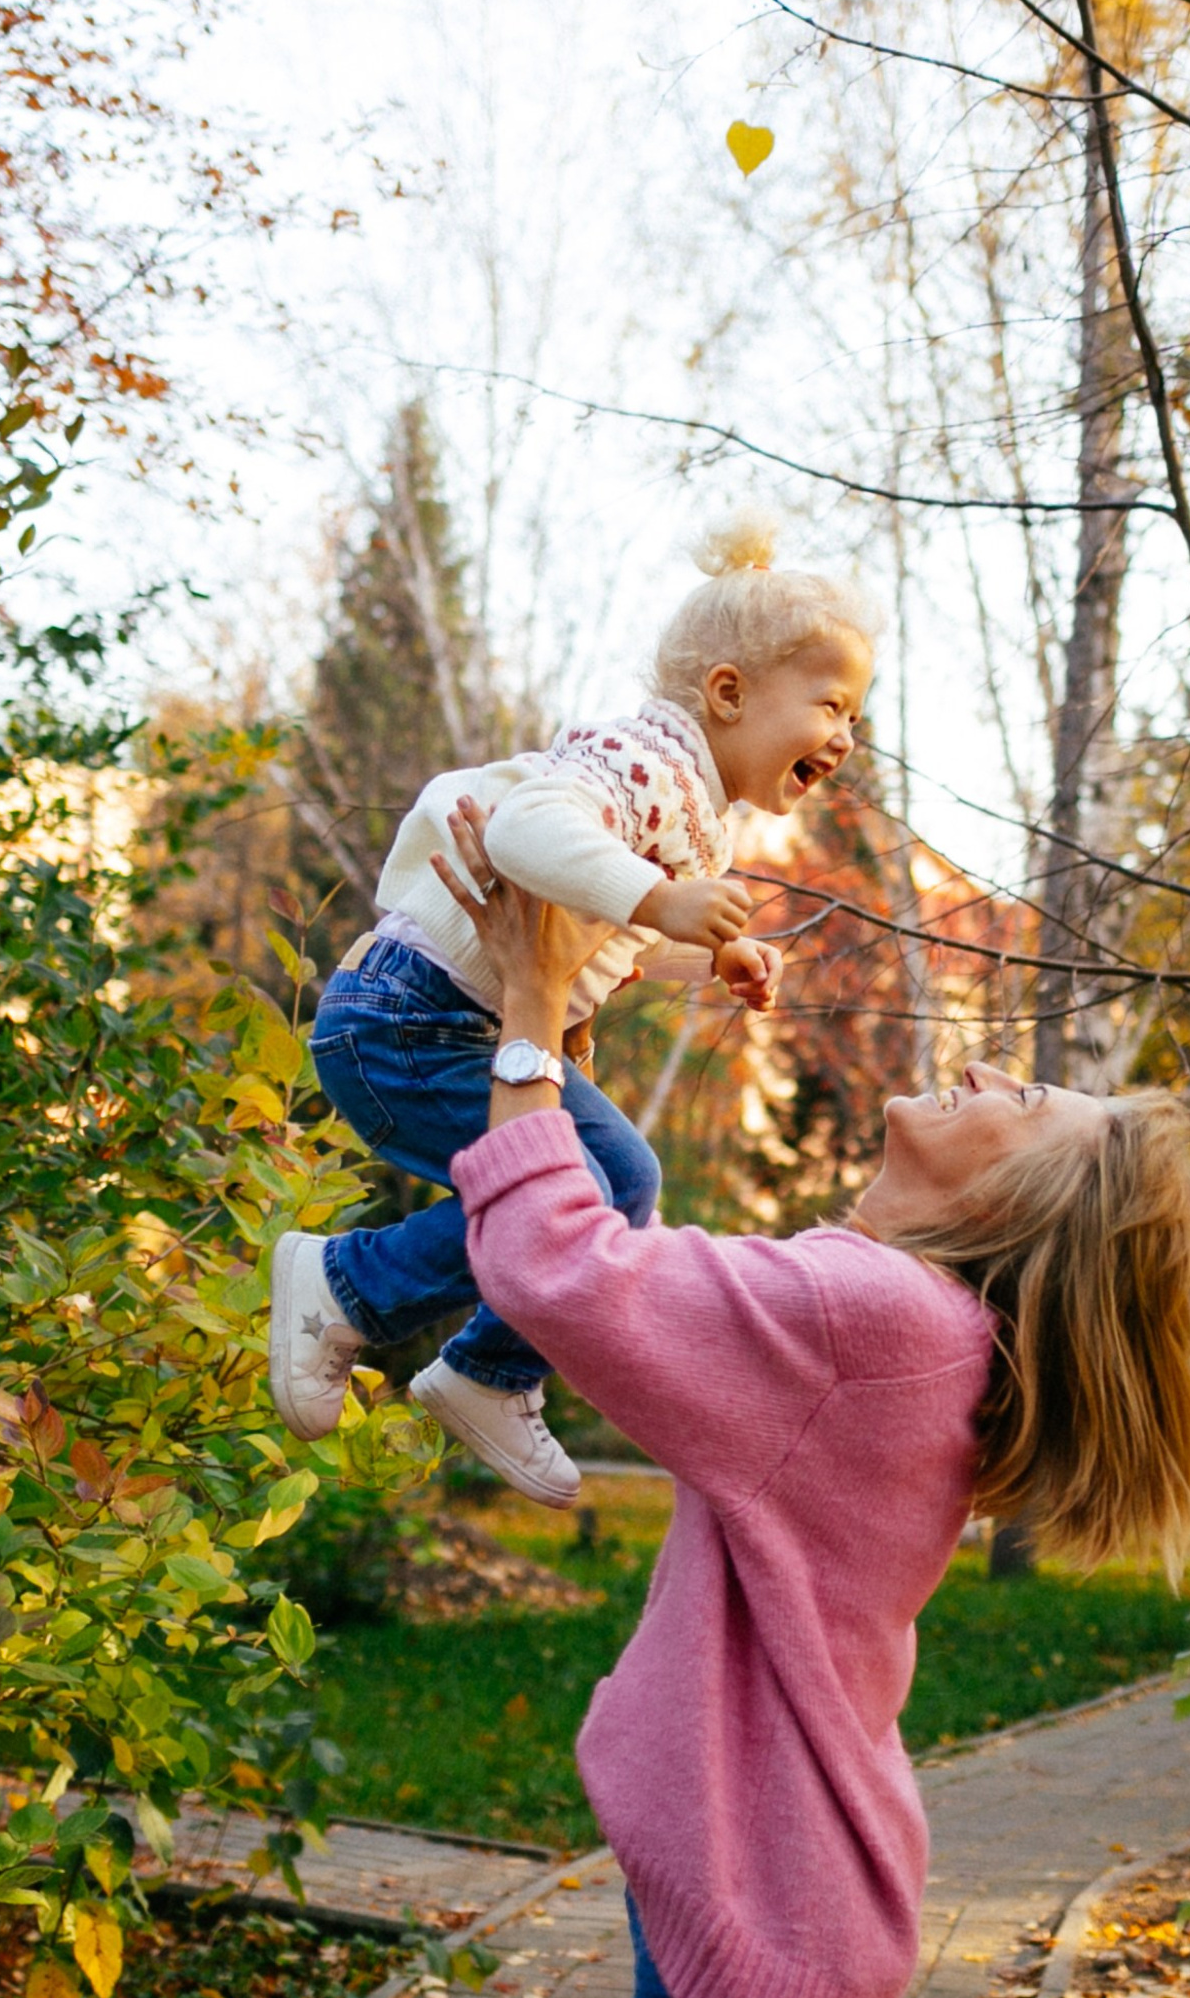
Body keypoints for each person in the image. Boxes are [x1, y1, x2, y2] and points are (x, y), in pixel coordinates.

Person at [426, 794, 1190, 1998]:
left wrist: (533, 1001)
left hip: (767, 1888)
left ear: (1022, 1193)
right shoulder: (904, 1330)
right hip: (782, 1885)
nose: (992, 1063)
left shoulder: (887, 1326)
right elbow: (634, 1278)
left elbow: (558, 1268)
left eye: (1032, 1096)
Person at [265, 516, 878, 1503]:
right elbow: (526, 829)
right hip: (408, 1021)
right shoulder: (646, 764)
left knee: (623, 1180)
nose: (846, 736)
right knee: (577, 1192)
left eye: (855, 715)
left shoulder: (696, 806)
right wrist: (664, 899)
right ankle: (348, 1285)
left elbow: (601, 936)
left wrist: (707, 955)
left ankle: (485, 1370)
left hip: (452, 1019)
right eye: (831, 703)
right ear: (727, 693)